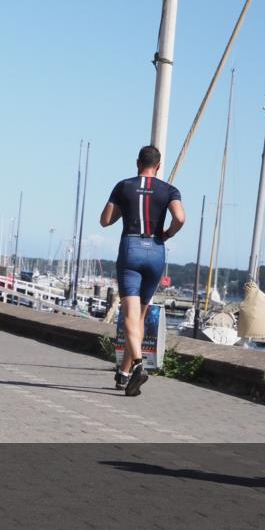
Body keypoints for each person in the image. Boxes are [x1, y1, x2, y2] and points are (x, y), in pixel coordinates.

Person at [100, 145, 185, 396]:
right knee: (140, 318)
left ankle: (138, 365)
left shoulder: (124, 186)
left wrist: (124, 207)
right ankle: (124, 375)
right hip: (156, 250)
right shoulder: (169, 190)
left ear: (138, 163)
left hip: (131, 247)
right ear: (158, 166)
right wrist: (167, 234)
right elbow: (180, 217)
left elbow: (105, 221)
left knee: (129, 314)